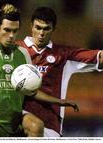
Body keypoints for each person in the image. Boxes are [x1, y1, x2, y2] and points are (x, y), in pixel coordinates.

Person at [0, 4, 79, 137]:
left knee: (36, 126)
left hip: (14, 123)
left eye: (15, 31)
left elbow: (30, 91)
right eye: (7, 30)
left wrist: (59, 101)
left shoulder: (22, 54)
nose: (11, 36)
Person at [17, 6, 103, 137]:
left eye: (46, 29)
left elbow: (99, 57)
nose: (41, 33)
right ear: (31, 26)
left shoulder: (63, 54)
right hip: (17, 122)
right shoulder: (15, 50)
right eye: (38, 27)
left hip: (50, 127)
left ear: (53, 29)